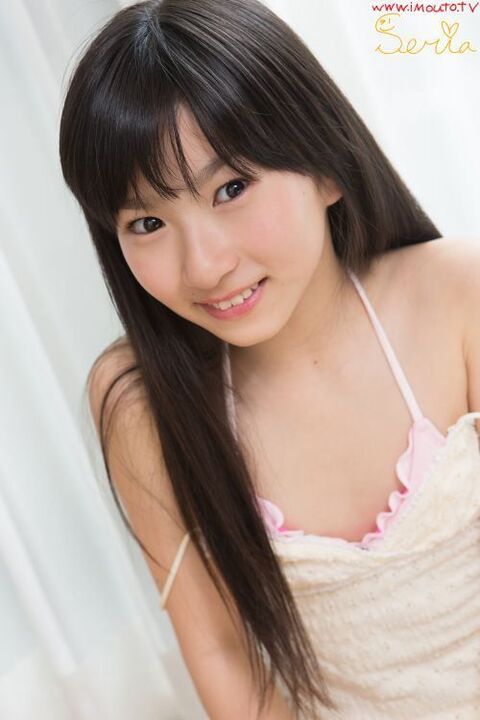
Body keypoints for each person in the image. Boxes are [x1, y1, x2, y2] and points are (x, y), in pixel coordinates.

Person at [58, 0, 480, 717]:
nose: (205, 264)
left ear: (326, 167)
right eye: (148, 222)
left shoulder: (458, 296)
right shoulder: (141, 404)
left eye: (231, 188)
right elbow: (222, 653)